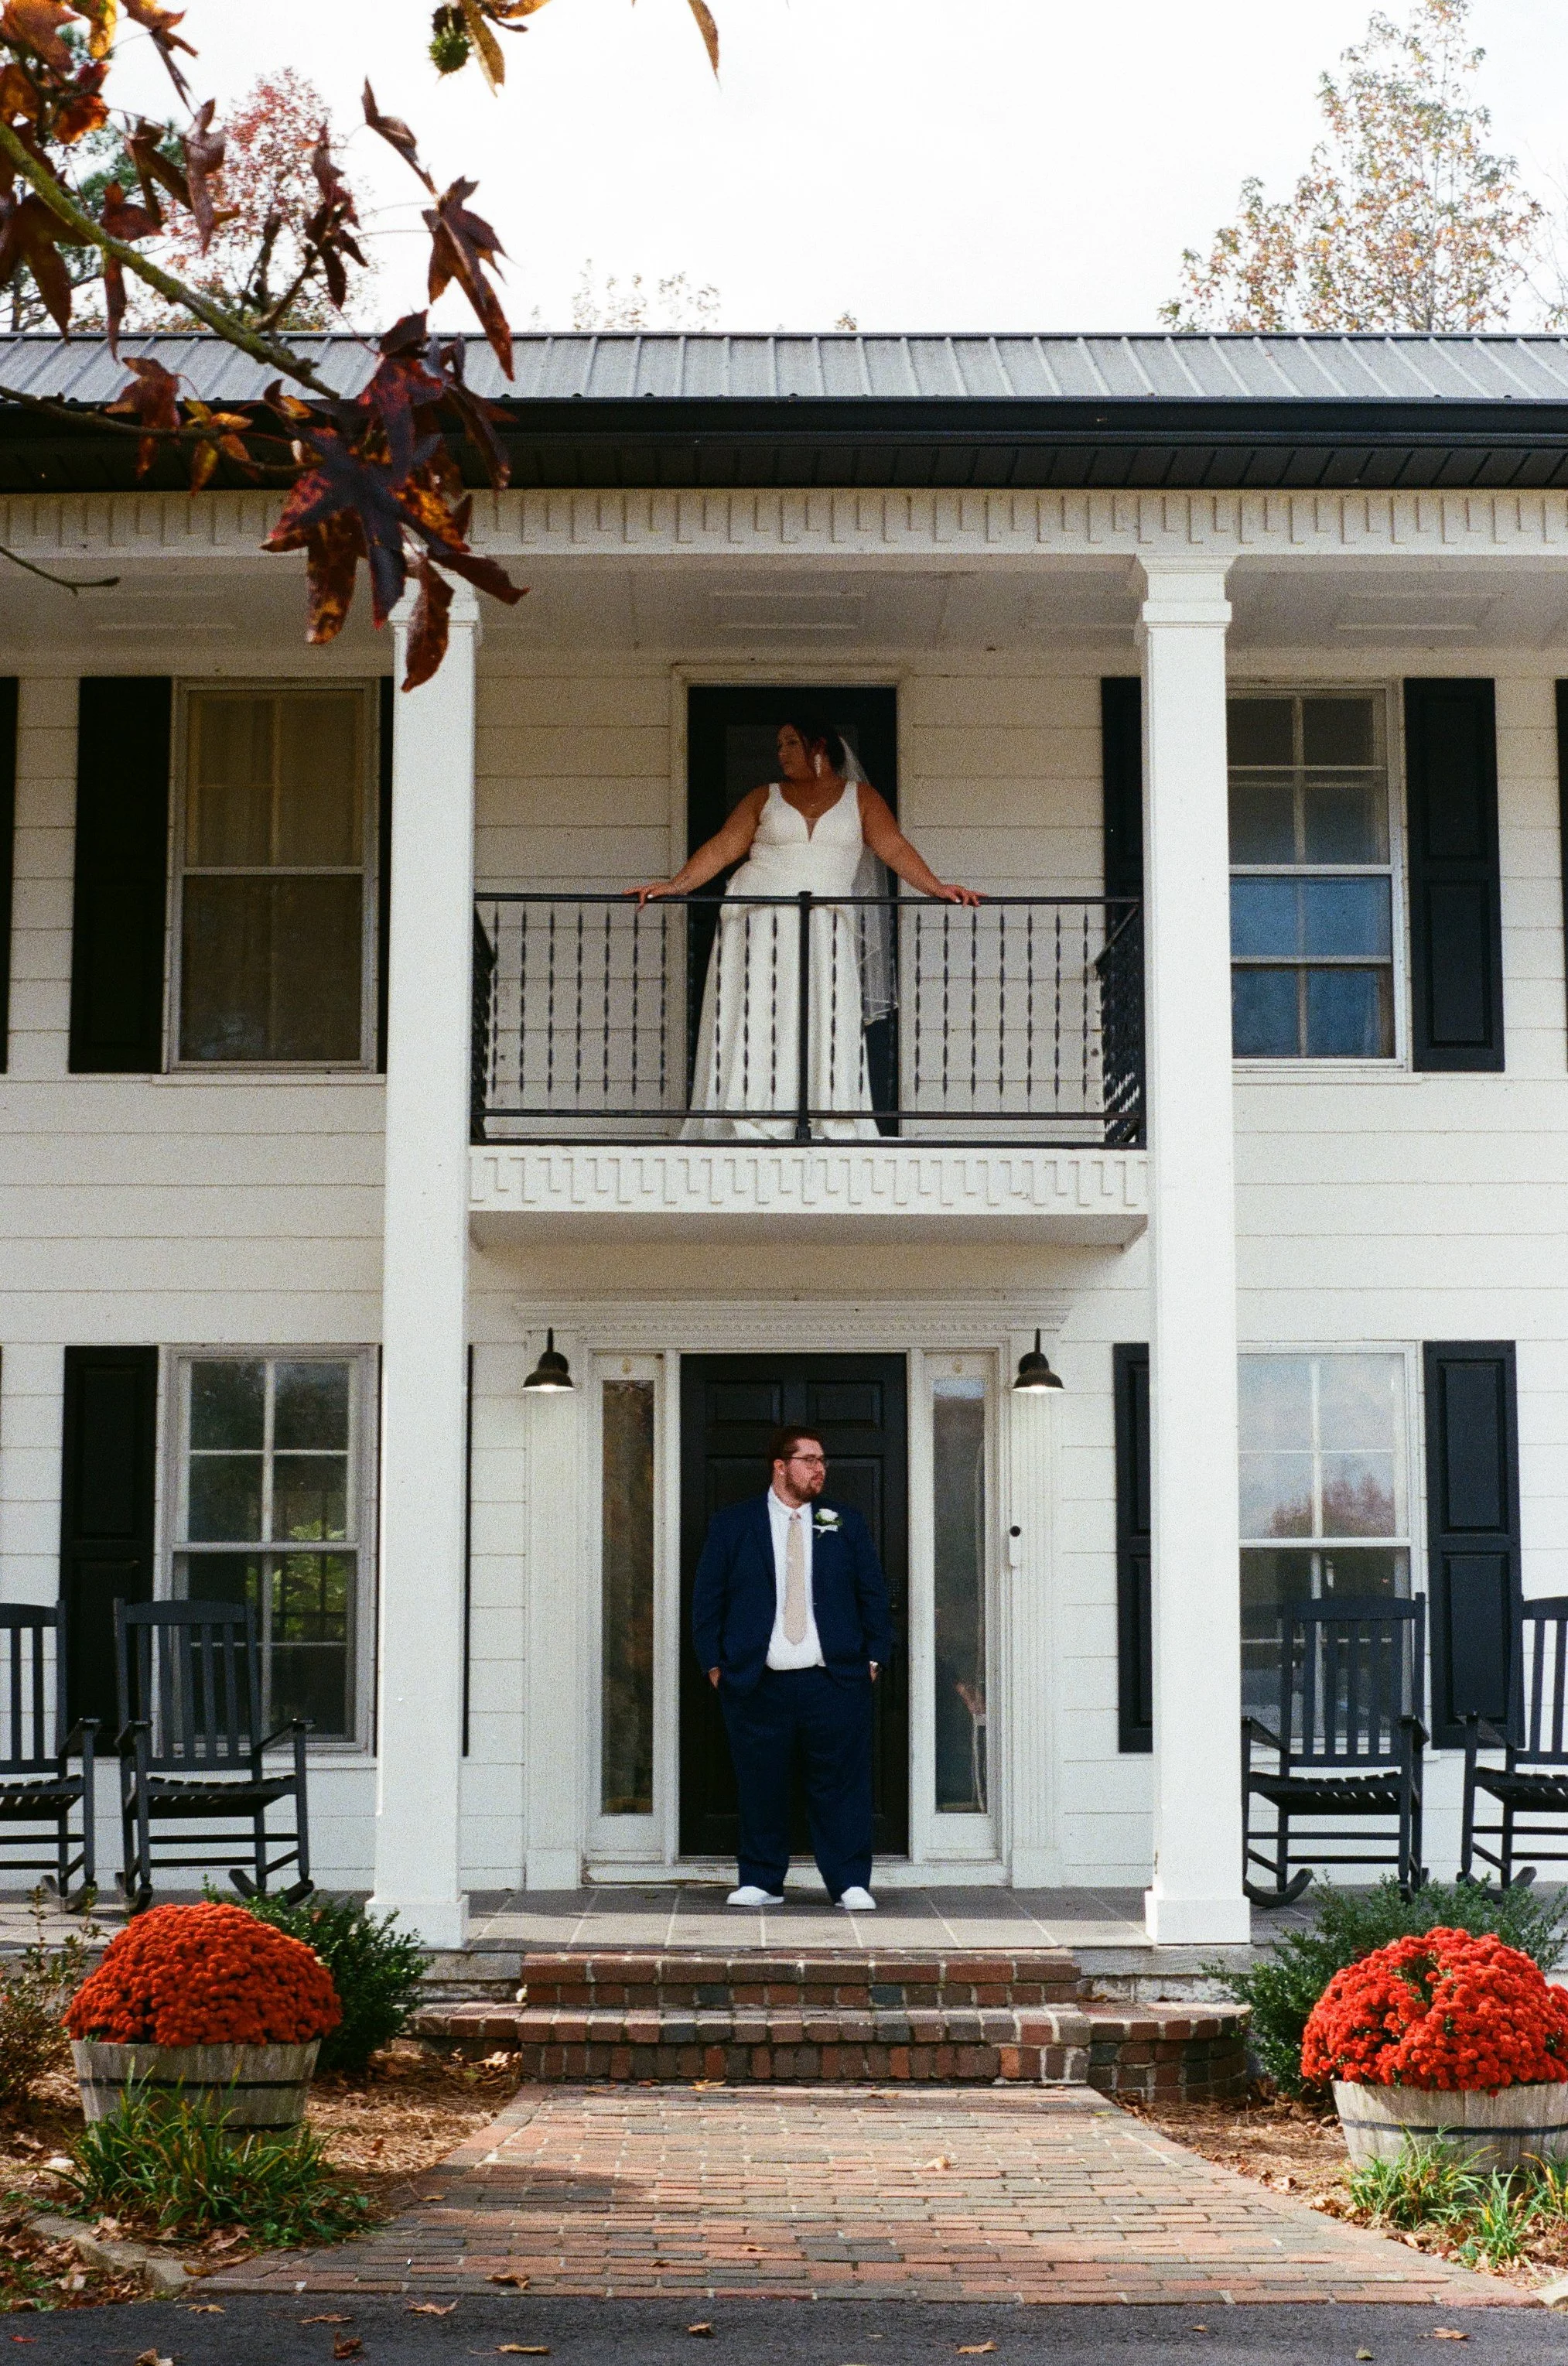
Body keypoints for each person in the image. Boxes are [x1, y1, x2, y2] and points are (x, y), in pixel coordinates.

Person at [632, 720, 978, 1139]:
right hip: (758, 919)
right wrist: (674, 886)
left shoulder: (861, 798)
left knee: (826, 1007)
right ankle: (752, 1110)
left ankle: (828, 1114)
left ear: (820, 747)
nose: (781, 753)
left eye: (790, 743)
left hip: (826, 918)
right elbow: (725, 846)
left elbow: (893, 847)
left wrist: (935, 887)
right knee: (760, 1005)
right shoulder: (764, 797)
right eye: (779, 744)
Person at [691, 1424, 895, 1910]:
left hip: (834, 1679)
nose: (819, 1468)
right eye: (809, 1460)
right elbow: (707, 1600)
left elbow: (873, 1594)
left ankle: (849, 1882)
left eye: (823, 1460)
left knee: (841, 1785)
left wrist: (873, 1658)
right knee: (761, 1782)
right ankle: (762, 1880)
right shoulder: (733, 1525)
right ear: (780, 1466)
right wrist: (715, 1665)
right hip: (757, 1681)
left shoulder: (844, 1521)